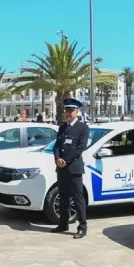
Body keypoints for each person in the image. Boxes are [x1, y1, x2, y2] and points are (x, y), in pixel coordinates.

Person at [52, 98, 90, 239]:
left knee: (78, 198)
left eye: (71, 111)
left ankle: (82, 227)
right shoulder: (62, 127)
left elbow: (80, 148)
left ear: (77, 112)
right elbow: (56, 146)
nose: (68, 113)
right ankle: (63, 224)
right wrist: (57, 159)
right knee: (63, 198)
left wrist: (65, 161)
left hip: (74, 168)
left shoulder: (83, 128)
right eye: (66, 110)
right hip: (61, 169)